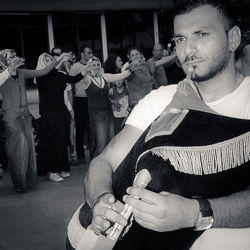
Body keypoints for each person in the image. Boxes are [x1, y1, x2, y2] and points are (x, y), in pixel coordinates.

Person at [67, 1, 250, 250]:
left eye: (202, 34)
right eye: (180, 39)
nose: (188, 49)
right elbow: (105, 161)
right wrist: (101, 200)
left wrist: (194, 213)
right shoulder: (162, 99)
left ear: (233, 38)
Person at [0, 49, 67, 192]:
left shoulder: (22, 73)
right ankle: (20, 183)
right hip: (11, 118)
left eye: (15, 55)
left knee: (29, 149)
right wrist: (9, 68)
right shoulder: (2, 77)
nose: (15, 58)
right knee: (18, 151)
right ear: (4, 61)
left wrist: (58, 60)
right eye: (11, 57)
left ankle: (29, 181)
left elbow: (43, 71)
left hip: (25, 116)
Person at [36, 52, 87, 182]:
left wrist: (86, 70)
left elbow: (74, 79)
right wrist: (58, 59)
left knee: (62, 142)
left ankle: (62, 168)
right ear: (42, 63)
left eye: (51, 59)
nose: (50, 61)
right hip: (49, 115)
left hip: (61, 113)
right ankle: (53, 171)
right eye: (46, 60)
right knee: (53, 143)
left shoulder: (59, 74)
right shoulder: (40, 76)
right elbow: (46, 73)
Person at [82, 56, 137, 158]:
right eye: (93, 65)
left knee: (110, 140)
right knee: (101, 143)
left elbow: (120, 75)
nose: (96, 67)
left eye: (98, 64)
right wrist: (87, 69)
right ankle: (95, 167)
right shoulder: (87, 79)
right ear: (89, 66)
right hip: (97, 115)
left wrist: (131, 71)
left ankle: (107, 165)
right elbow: (82, 74)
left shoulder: (104, 76)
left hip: (108, 113)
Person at [69, 44, 93, 164]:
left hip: (92, 99)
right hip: (80, 100)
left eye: (91, 53)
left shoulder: (94, 65)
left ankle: (94, 154)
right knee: (80, 128)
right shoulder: (75, 67)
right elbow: (71, 84)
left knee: (92, 128)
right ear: (82, 54)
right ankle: (81, 155)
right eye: (88, 53)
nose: (90, 55)